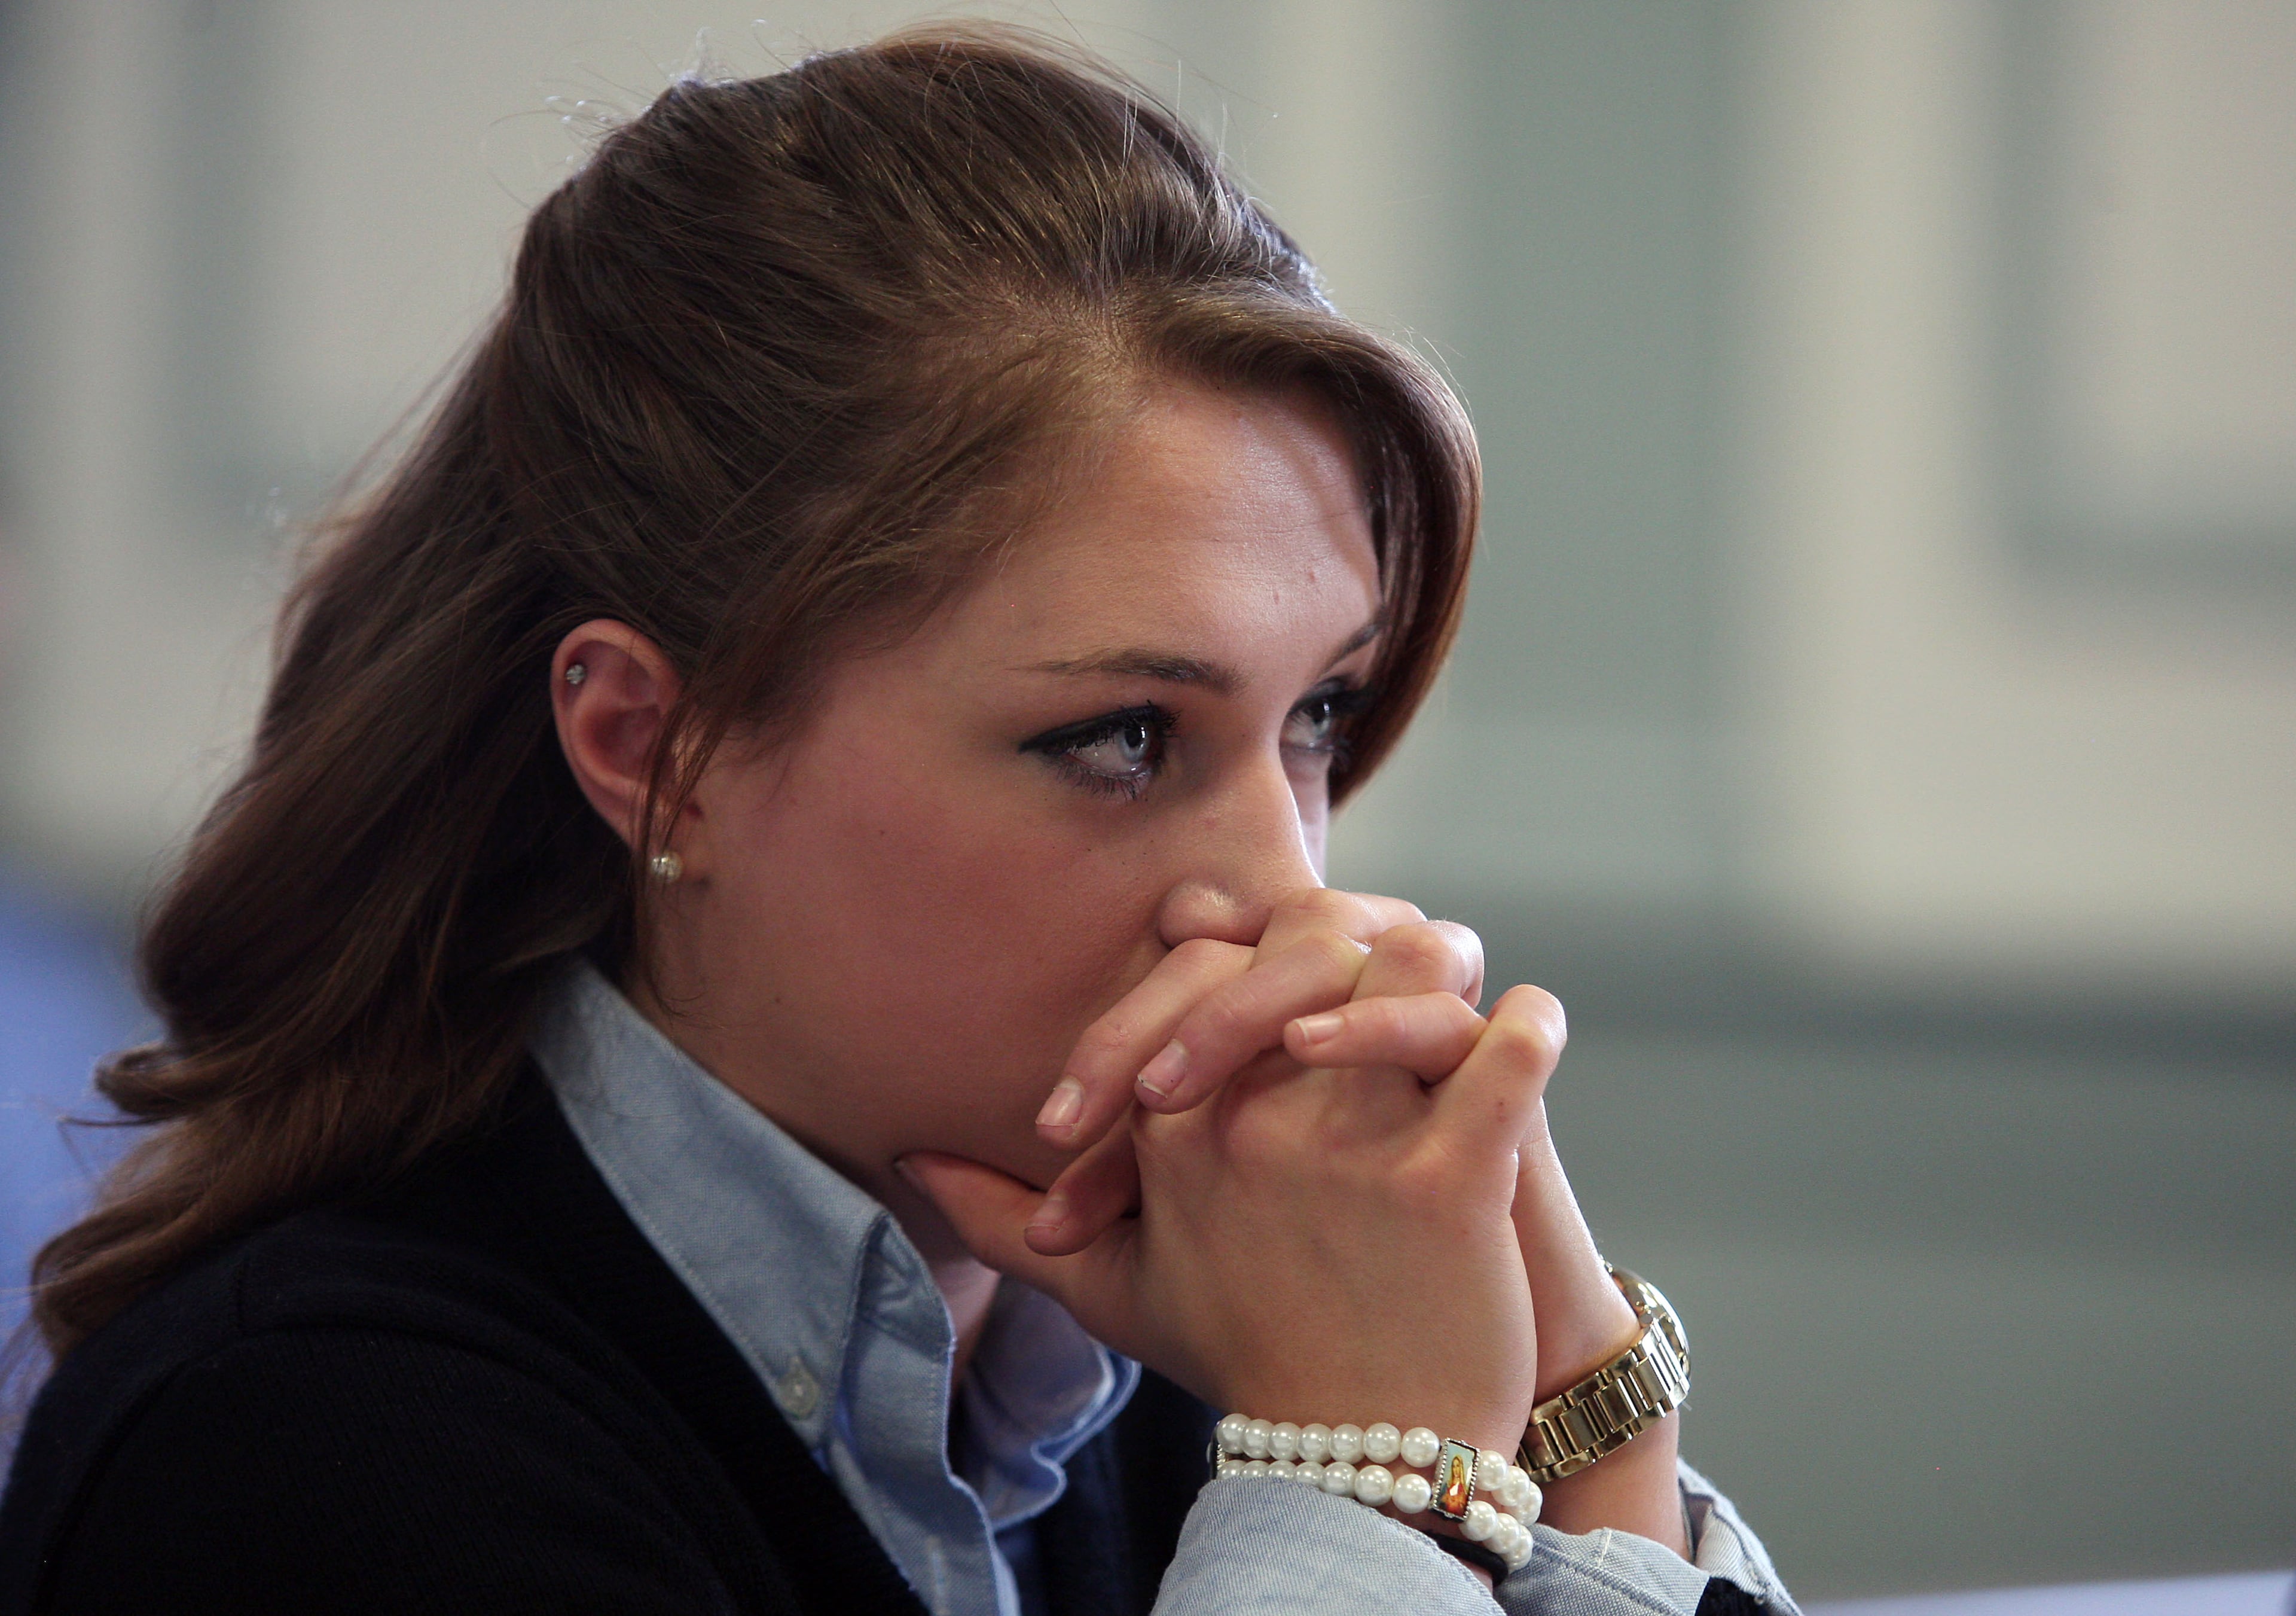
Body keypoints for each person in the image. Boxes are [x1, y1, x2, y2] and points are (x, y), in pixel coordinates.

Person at [0, 26, 1796, 1616]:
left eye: (1317, 715)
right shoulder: (307, 1452)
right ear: (657, 750)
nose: (1282, 889)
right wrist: (1371, 1482)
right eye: (1119, 736)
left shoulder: (1208, 1326)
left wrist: (1582, 1407)